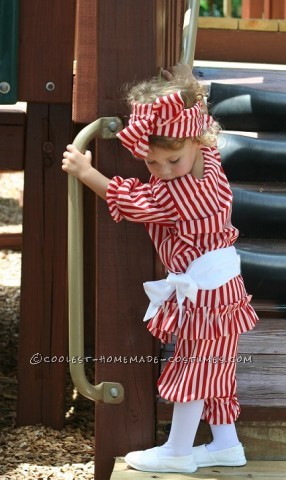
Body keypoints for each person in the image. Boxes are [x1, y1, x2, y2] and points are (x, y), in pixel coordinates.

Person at [62, 64, 258, 474]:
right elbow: (191, 118)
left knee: (193, 367)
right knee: (213, 368)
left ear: (194, 139)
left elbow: (132, 203)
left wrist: (87, 172)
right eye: (153, 163)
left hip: (205, 293)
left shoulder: (182, 195)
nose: (165, 170)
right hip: (220, 287)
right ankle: (225, 444)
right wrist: (183, 89)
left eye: (173, 159)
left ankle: (178, 451)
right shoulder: (205, 154)